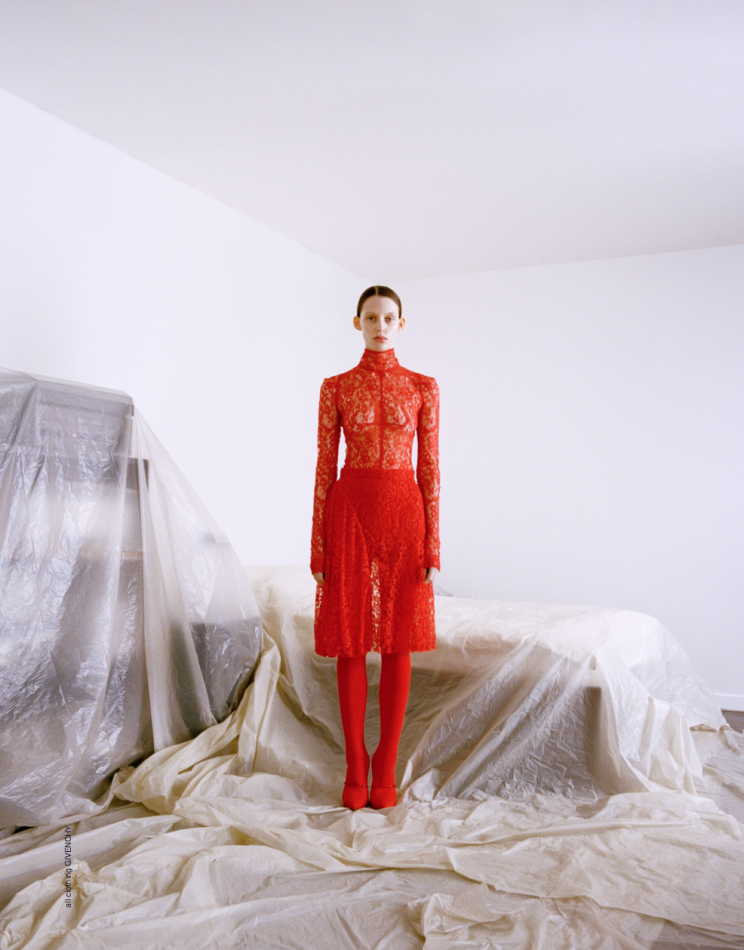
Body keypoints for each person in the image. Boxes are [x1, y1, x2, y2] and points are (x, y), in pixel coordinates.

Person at [310, 285, 440, 810]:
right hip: (349, 515)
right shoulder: (336, 387)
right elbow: (324, 467)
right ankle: (354, 766)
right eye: (371, 318)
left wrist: (433, 544)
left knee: (396, 640)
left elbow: (430, 469)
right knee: (351, 640)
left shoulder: (423, 387)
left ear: (401, 323)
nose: (379, 326)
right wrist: (318, 547)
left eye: (388, 318)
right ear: (357, 322)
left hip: (405, 515)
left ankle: (385, 766)